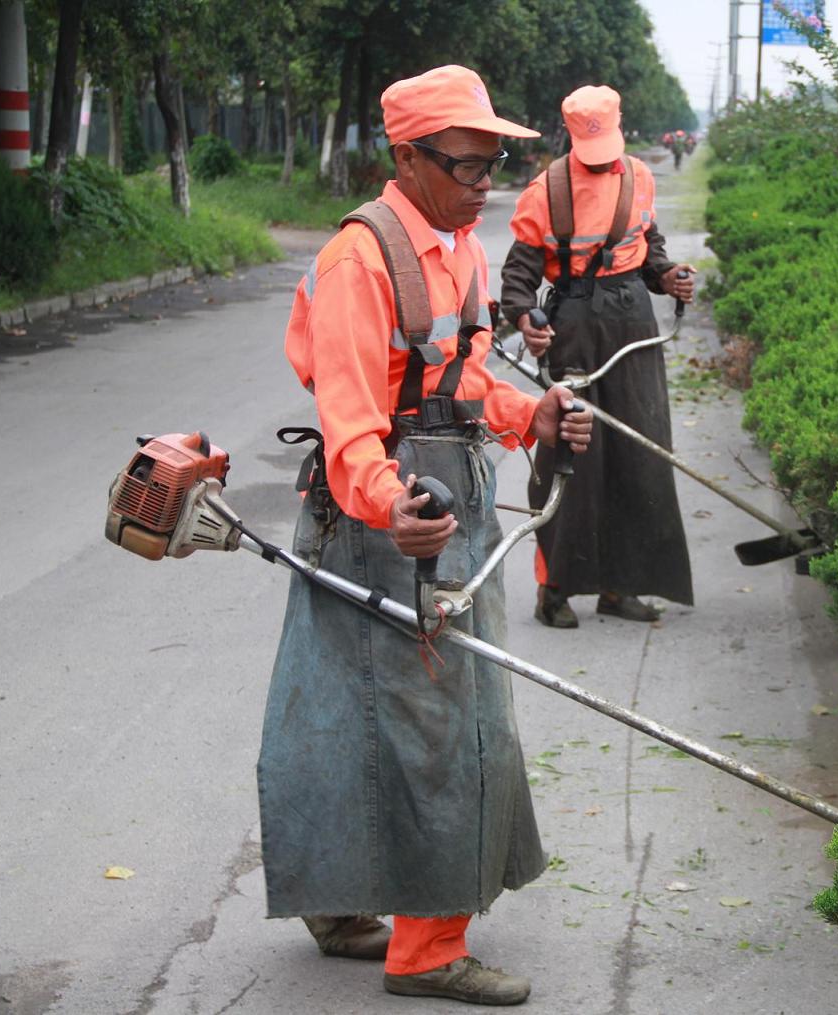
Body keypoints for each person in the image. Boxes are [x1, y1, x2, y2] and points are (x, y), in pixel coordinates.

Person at [258, 64, 592, 1006]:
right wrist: (388, 501)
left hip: (449, 496)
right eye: (467, 166)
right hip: (386, 514)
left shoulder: (459, 249)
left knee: (352, 709)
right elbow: (350, 419)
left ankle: (340, 896)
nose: (485, 185)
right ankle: (427, 951)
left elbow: (467, 381)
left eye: (494, 166)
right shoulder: (359, 263)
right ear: (406, 158)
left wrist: (535, 414)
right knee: (438, 722)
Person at [500, 85, 696, 629]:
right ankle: (554, 589)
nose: (603, 158)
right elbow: (519, 273)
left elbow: (647, 248)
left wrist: (668, 277)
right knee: (570, 457)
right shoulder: (546, 190)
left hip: (632, 319)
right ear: (569, 135)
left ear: (620, 126)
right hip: (574, 325)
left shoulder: (640, 177)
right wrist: (525, 318)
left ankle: (620, 587)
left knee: (640, 453)